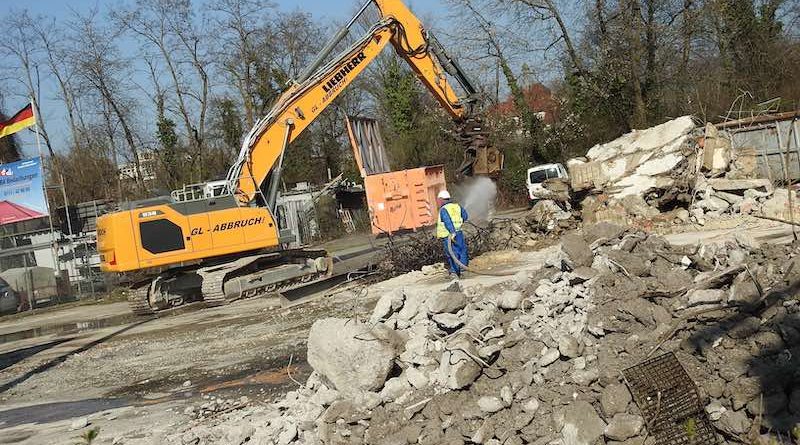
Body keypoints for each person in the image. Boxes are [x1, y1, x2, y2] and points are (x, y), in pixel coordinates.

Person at [436, 190, 469, 278]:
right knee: (462, 251)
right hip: (459, 233)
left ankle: (454, 272)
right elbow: (465, 216)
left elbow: (448, 221)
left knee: (452, 253)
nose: (437, 202)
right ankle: (463, 270)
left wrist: (452, 231)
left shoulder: (444, 209)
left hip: (449, 235)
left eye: (438, 200)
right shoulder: (457, 206)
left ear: (441, 200)